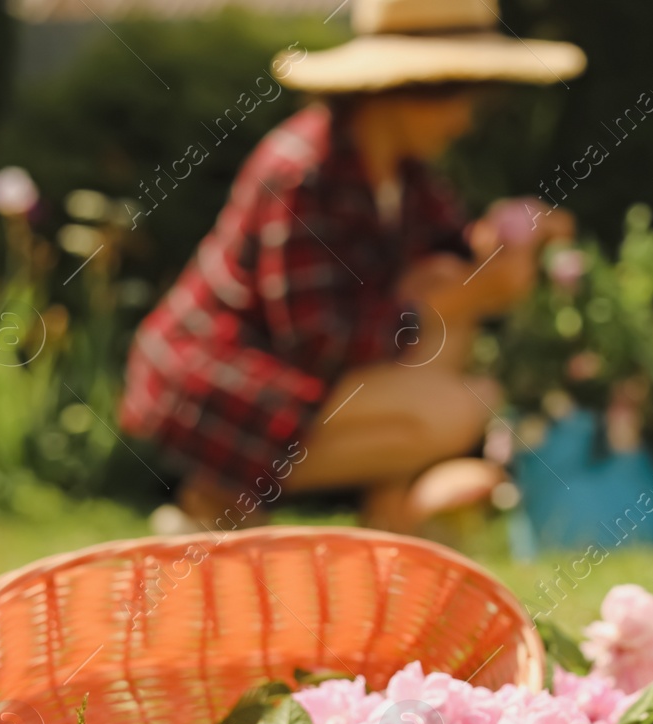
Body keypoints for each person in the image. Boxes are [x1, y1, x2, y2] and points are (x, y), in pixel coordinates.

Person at [119, 0, 582, 533]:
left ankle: (386, 522)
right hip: (217, 386)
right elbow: (318, 337)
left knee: (440, 300)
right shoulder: (302, 172)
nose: (465, 119)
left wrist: (502, 241)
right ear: (400, 89)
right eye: (456, 94)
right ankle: (215, 499)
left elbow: (451, 250)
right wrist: (454, 299)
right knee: (457, 408)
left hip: (298, 380)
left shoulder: (405, 173)